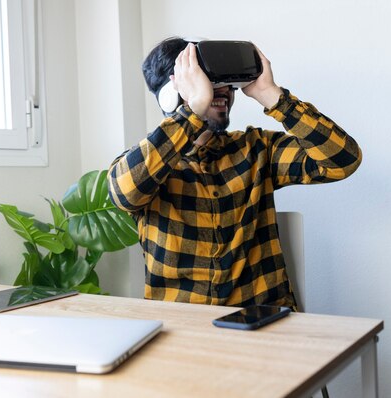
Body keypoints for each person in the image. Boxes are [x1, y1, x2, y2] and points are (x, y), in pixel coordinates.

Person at [107, 37, 362, 309]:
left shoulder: (255, 149)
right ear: (171, 94)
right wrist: (193, 108)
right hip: (183, 330)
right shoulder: (148, 164)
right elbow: (124, 193)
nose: (223, 91)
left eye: (223, 82)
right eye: (205, 82)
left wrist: (271, 95)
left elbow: (343, 159)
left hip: (263, 321)